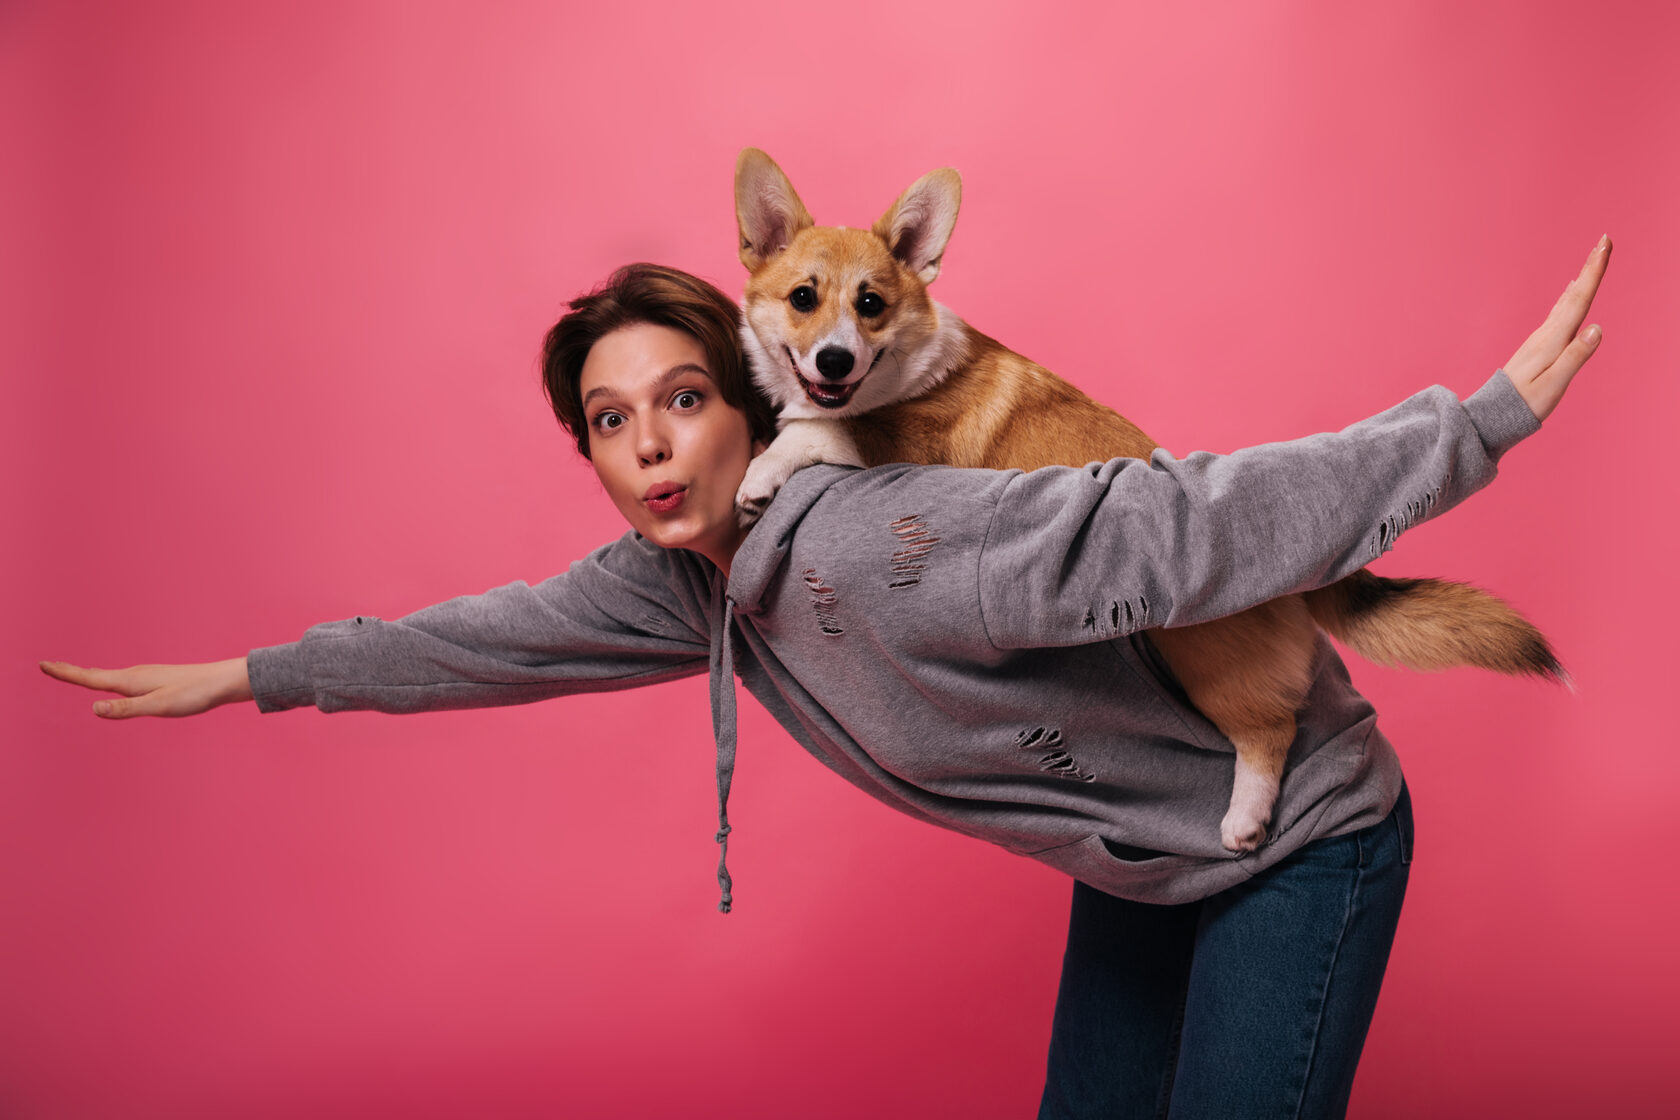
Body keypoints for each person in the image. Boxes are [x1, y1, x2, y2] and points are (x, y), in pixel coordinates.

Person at [41, 238, 1611, 1118]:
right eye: (608, 422)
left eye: (679, 400)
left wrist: (1467, 428)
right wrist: (254, 673)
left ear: (758, 395)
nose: (649, 446)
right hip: (1145, 859)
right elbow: (487, 637)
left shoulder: (884, 537)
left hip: (1301, 837)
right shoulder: (682, 580)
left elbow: (1172, 523)